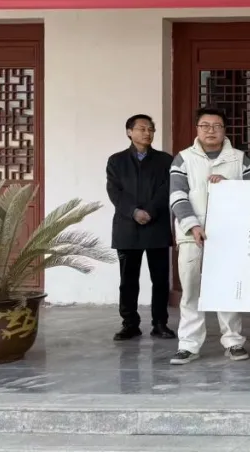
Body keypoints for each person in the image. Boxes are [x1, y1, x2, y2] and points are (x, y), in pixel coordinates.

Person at [169, 107, 250, 365]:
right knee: (191, 291)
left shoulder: (239, 159)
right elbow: (177, 195)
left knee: (228, 289)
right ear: (197, 129)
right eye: (205, 126)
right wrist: (192, 226)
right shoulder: (184, 159)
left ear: (224, 130)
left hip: (229, 236)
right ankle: (188, 345)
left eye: (217, 126)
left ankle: (233, 342)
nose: (211, 131)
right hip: (192, 235)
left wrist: (229, 184)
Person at [105, 114, 176, 341]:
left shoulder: (165, 160)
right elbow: (114, 192)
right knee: (128, 281)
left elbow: (167, 189)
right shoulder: (116, 161)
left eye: (151, 129)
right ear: (129, 132)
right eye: (142, 128)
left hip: (157, 226)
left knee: (160, 280)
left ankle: (160, 323)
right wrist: (134, 212)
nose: (148, 133)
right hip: (127, 227)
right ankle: (130, 324)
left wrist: (150, 211)